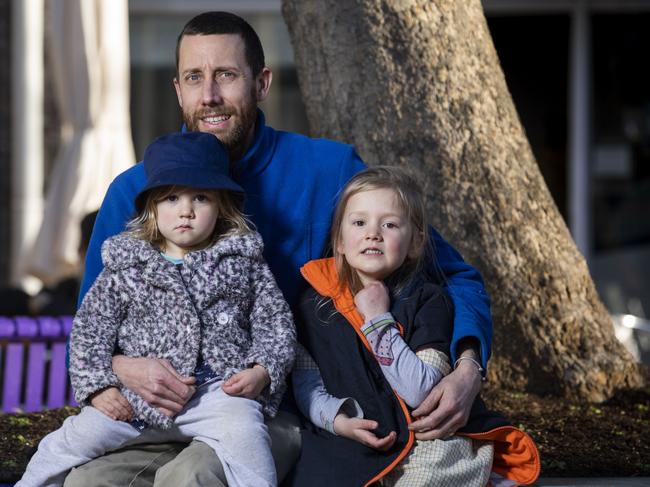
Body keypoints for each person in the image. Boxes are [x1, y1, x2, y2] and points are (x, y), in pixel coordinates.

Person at [66, 11, 492, 486]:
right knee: (87, 482)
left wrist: (468, 369)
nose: (209, 96)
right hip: (154, 416)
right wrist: (126, 366)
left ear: (262, 83)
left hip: (277, 411)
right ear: (178, 89)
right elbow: (91, 326)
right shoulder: (134, 191)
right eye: (194, 78)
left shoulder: (328, 170)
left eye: (226, 75)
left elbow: (453, 273)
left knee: (193, 476)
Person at [19, 132, 295, 487]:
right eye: (171, 198)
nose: (186, 210)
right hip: (136, 400)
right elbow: (89, 332)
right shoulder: (127, 266)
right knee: (66, 443)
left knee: (247, 437)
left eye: (201, 197)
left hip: (218, 391)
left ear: (222, 205)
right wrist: (100, 389)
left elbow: (276, 323)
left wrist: (263, 371)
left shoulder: (242, 261)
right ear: (152, 207)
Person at [289, 166, 540, 486]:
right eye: (359, 222)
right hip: (352, 439)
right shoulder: (314, 304)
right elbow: (307, 384)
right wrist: (338, 421)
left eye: (390, 224)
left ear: (415, 243)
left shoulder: (428, 301)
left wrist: (378, 320)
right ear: (339, 239)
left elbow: (420, 390)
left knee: (431, 472)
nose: (373, 233)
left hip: (425, 438)